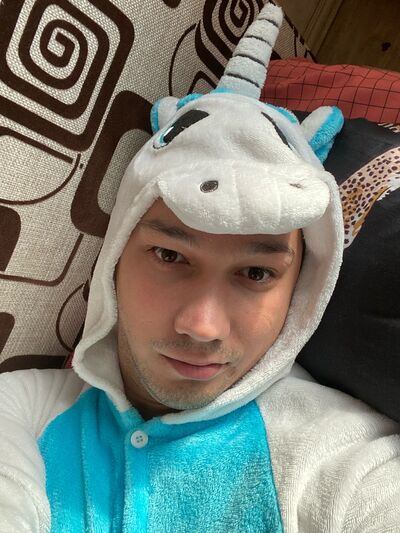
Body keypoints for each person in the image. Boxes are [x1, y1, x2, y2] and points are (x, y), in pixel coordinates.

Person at [0, 4, 399, 532]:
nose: (201, 326)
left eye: (256, 273)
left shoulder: (343, 458)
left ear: (302, 289)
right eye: (170, 256)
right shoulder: (22, 409)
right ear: (116, 253)